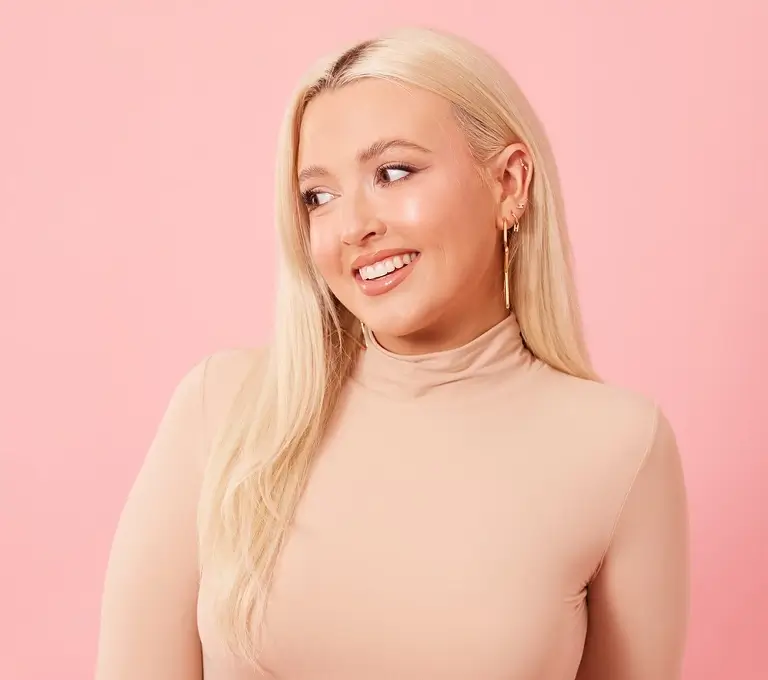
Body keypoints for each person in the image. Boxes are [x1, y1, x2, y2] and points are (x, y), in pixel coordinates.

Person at [95, 25, 690, 680]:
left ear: (508, 182)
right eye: (319, 197)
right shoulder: (222, 408)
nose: (354, 226)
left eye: (394, 172)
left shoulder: (619, 446)